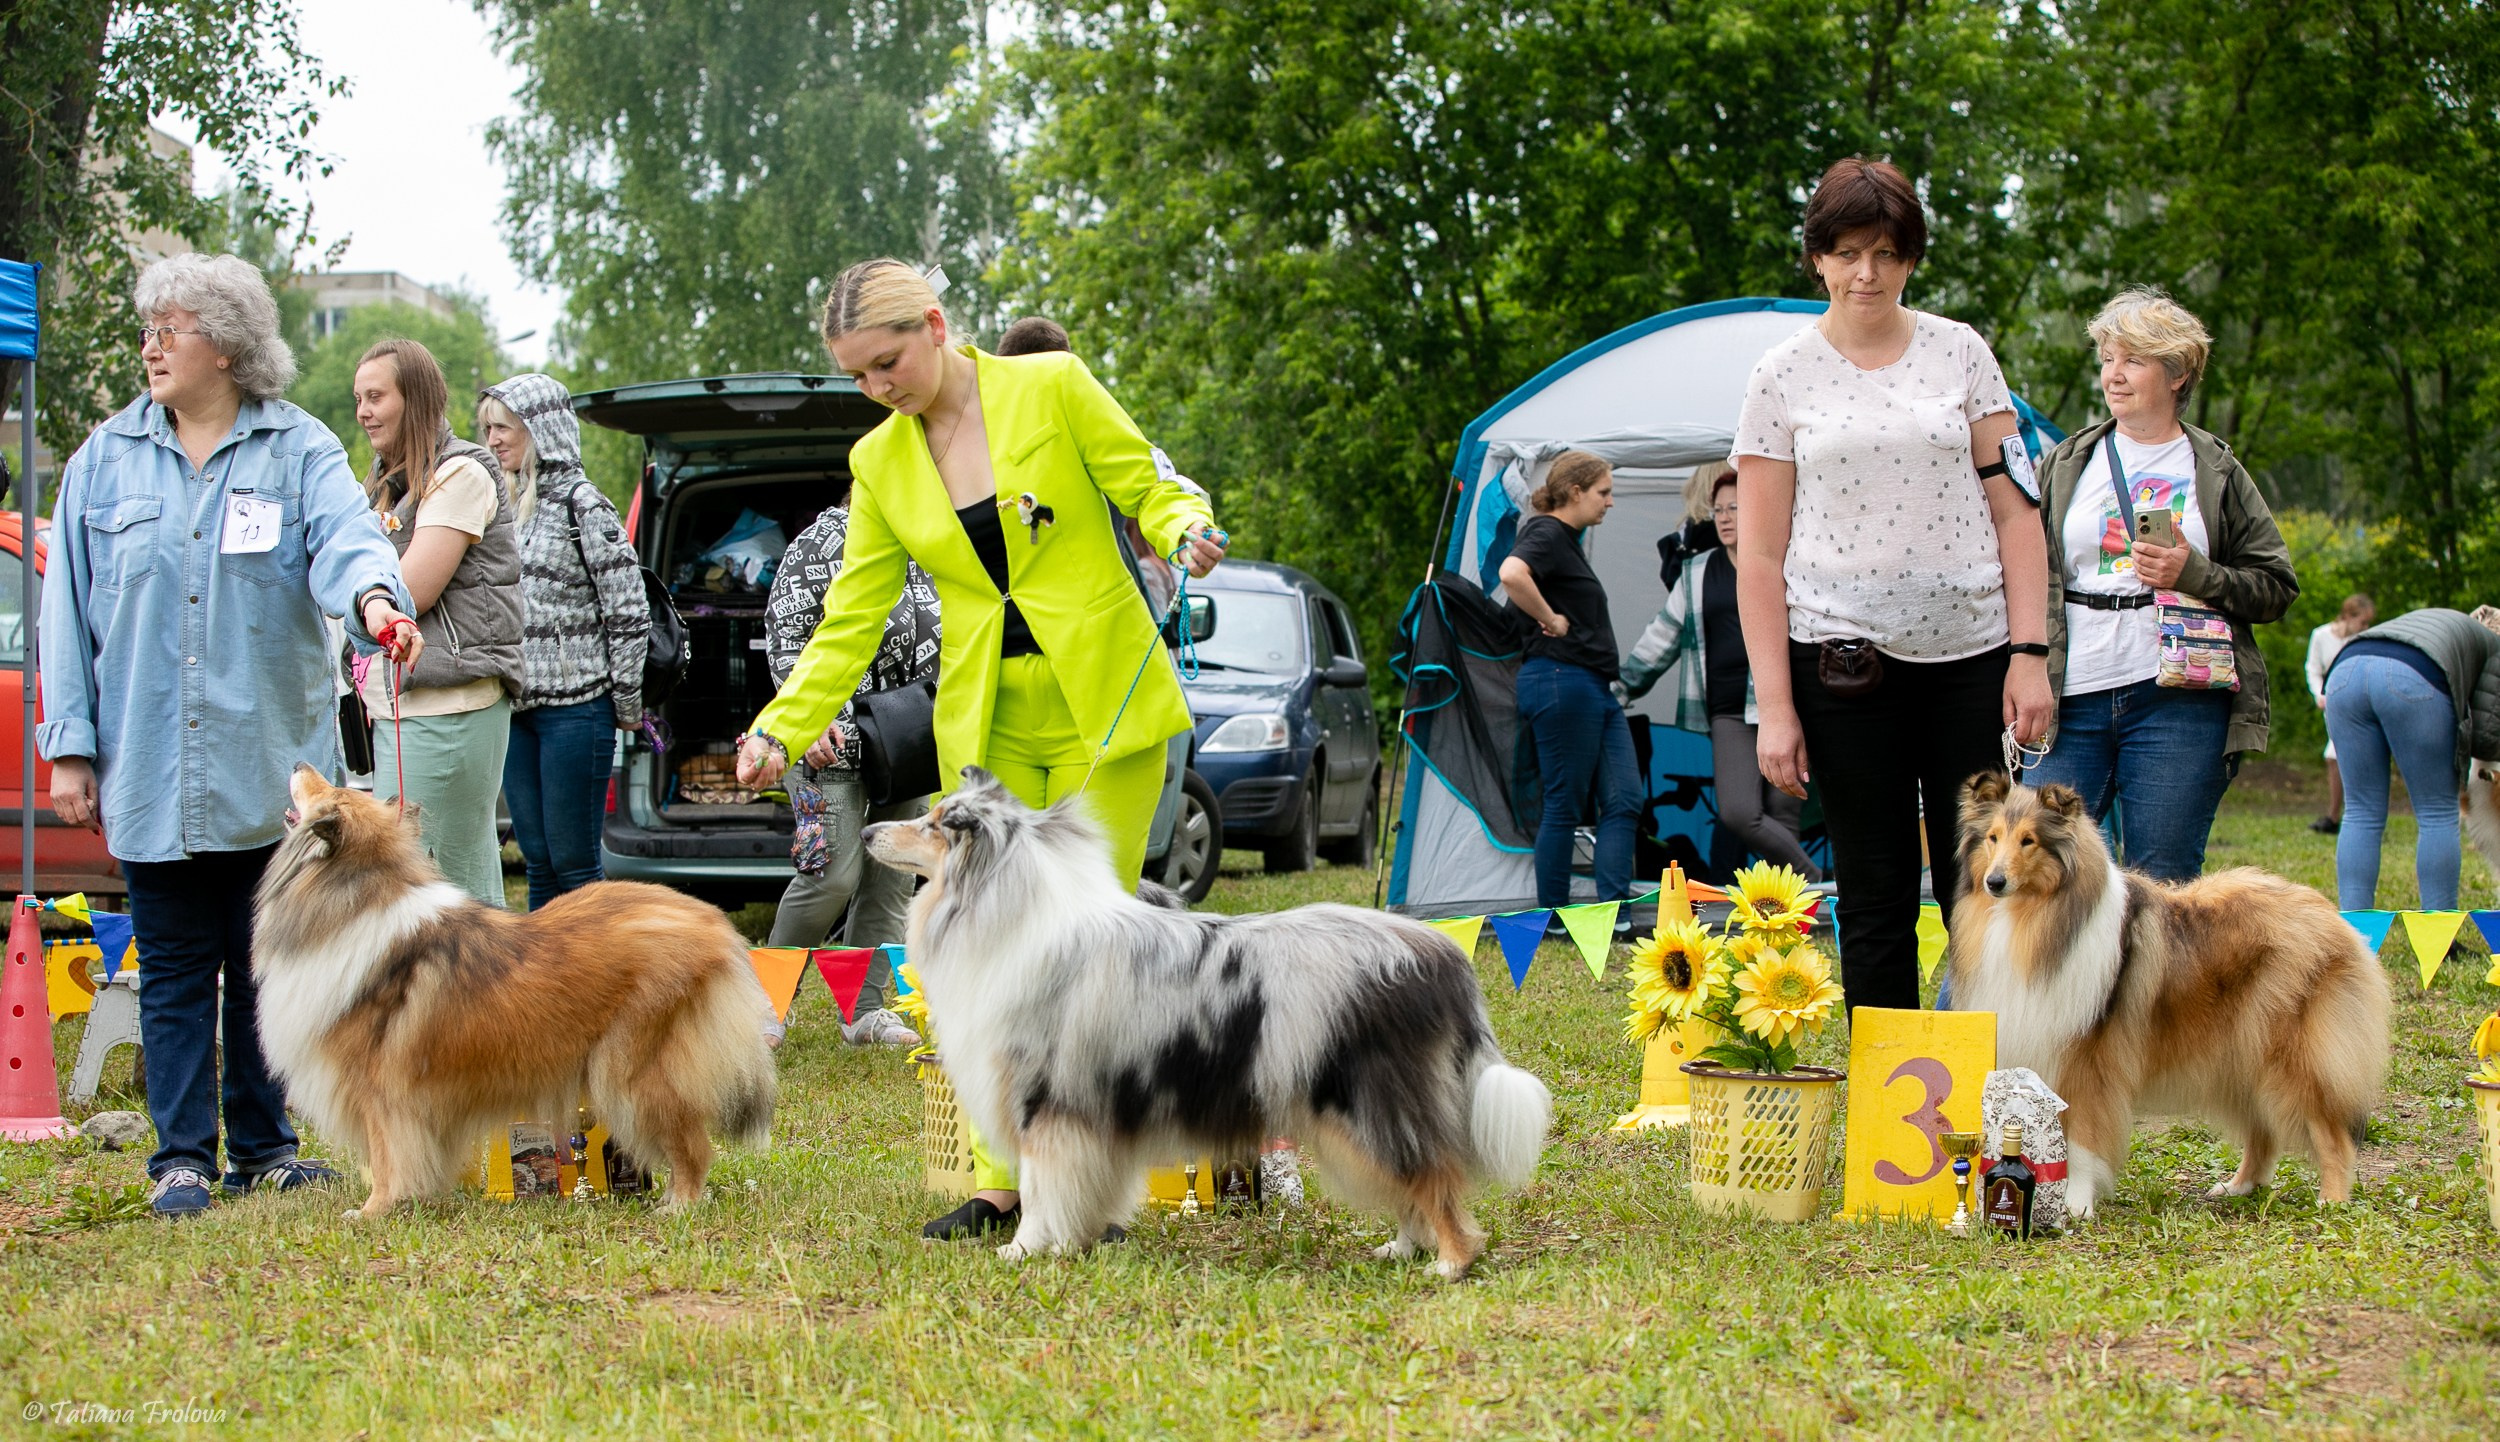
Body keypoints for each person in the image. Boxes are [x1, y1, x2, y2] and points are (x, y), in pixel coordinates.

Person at [732, 259, 1225, 1241]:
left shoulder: (1051, 385)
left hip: (1104, 710)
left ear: (936, 323)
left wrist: (1185, 531)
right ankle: (1003, 1182)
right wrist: (778, 727)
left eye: (889, 362)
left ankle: (1088, 1180)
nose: (881, 389)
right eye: (860, 377)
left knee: (1091, 949)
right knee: (986, 948)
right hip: (986, 725)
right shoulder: (880, 462)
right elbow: (849, 620)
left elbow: (1145, 485)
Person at [39, 253, 421, 1217]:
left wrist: (377, 601)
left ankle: (265, 1148)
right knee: (171, 967)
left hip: (268, 770)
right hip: (151, 764)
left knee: (268, 968)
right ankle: (180, 1159)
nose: (151, 344)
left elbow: (347, 543)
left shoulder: (298, 451)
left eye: (173, 326)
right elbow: (65, 614)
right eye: (149, 327)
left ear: (231, 344)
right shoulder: (101, 461)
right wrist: (70, 748)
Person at [1732, 156, 2052, 1014]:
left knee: (1984, 893)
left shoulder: (1964, 353)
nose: (1864, 273)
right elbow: (1758, 557)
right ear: (1817, 259)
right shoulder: (1779, 376)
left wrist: (2031, 655)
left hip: (1973, 661)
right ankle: (1893, 1125)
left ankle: (1993, 1099)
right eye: (1845, 252)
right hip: (1840, 668)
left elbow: (2019, 515)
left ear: (1911, 257)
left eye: (1884, 252)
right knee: (1873, 898)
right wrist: (1777, 707)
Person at [2027, 288, 2297, 882]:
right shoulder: (2068, 463)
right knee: (2029, 874)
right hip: (2070, 696)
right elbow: (2015, 577)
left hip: (2179, 701)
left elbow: (2276, 585)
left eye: (2132, 360)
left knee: (2165, 886)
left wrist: (2193, 572)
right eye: (2106, 359)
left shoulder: (2216, 470)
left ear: (2176, 374)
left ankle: (2153, 983)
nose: (2113, 375)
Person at [760, 494, 941, 1047]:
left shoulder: (932, 543)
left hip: (909, 739)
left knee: (891, 877)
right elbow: (787, 635)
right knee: (830, 875)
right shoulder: (822, 542)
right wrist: (808, 719)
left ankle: (863, 1012)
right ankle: (761, 1006)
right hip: (827, 744)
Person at [353, 338, 524, 906]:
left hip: (452, 707)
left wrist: (354, 593)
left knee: (438, 900)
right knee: (457, 892)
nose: (363, 411)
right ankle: (499, 995)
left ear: (418, 399)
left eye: (376, 396)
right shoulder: (387, 483)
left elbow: (412, 591)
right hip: (413, 707)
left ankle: (493, 996)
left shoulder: (462, 473)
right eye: (359, 398)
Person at [478, 373, 651, 909]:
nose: (493, 440)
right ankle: (548, 986)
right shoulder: (498, 505)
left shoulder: (585, 505)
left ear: (542, 428)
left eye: (504, 428)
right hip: (514, 709)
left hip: (578, 712)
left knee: (575, 864)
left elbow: (628, 609)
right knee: (537, 861)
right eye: (487, 429)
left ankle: (602, 988)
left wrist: (625, 701)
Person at [1621, 462, 1822, 880]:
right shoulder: (1696, 572)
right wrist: (1619, 689)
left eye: (1736, 508)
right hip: (1728, 708)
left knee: (1784, 813)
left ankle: (1783, 916)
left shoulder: (1789, 565)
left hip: (1788, 703)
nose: (1726, 518)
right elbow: (1661, 638)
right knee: (1740, 812)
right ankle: (1814, 883)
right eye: (1719, 511)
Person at [1498, 450, 1642, 915]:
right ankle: (1555, 916)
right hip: (1560, 679)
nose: (1610, 502)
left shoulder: (1566, 540)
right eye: (1603, 492)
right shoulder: (1546, 531)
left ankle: (1613, 912)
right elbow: (1511, 573)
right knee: (1564, 804)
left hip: (1592, 687)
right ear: (1575, 492)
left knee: (1624, 798)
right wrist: (1550, 618)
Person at [2323, 607, 2500, 911]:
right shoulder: (2495, 648)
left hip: (2343, 673)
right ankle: (2439, 936)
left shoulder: (2443, 623)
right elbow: (2488, 735)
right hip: (2412, 677)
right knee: (2436, 813)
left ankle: (2355, 938)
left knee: (2360, 812)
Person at [2306, 594, 2377, 833]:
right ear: (2347, 616)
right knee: (2335, 757)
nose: (2365, 627)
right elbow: (2313, 668)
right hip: (2332, 702)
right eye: (2362, 621)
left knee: (2337, 756)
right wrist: (2319, 694)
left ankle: (2350, 815)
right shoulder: (2322, 636)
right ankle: (2337, 815)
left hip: (2358, 702)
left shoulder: (2363, 640)